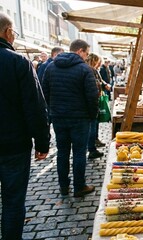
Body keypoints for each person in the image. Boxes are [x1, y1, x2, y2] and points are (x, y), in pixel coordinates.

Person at [0, 13, 50, 239]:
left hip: (13, 144)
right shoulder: (17, 61)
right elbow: (35, 107)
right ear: (7, 32)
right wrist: (42, 142)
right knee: (12, 200)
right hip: (13, 146)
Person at [42, 39, 99, 198]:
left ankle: (63, 186)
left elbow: (44, 91)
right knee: (79, 153)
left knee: (63, 152)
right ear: (80, 51)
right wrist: (91, 115)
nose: (87, 57)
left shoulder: (51, 67)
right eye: (86, 53)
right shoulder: (84, 69)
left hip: (59, 117)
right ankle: (79, 186)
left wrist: (54, 108)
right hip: (79, 118)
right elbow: (92, 96)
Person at [86, 53, 108, 159]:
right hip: (90, 104)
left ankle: (93, 144)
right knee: (92, 126)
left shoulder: (91, 70)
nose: (99, 64)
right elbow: (94, 86)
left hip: (90, 103)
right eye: (98, 61)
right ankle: (91, 148)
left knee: (93, 125)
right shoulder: (89, 70)